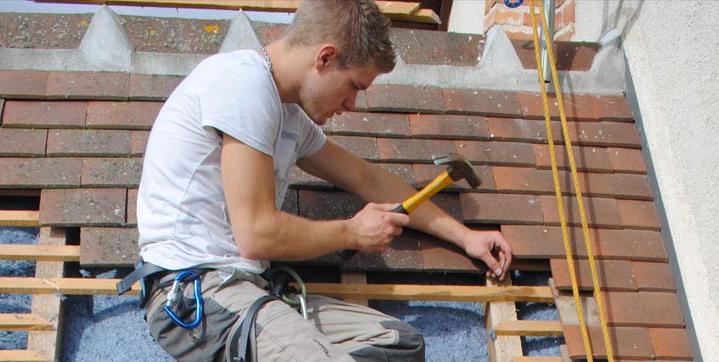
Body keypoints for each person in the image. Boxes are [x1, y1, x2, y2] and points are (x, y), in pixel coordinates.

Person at [126, 1, 513, 361]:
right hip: (199, 294)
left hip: (255, 293)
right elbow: (256, 234)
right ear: (325, 58)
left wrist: (467, 238)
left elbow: (366, 177)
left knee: (400, 345)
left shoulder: (289, 115)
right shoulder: (242, 85)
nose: (352, 105)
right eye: (354, 87)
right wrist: (352, 233)